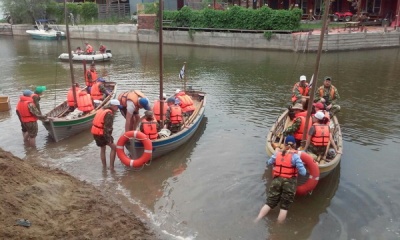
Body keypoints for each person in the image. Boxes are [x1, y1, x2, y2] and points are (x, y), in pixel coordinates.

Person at [254, 135, 306, 224]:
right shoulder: (295, 157)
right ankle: (278, 227)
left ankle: (257, 220)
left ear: (284, 144)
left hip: (277, 181)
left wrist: (276, 154)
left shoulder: (277, 154)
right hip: (289, 183)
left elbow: (269, 162)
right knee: (284, 207)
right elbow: (303, 172)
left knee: (269, 203)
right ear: (294, 145)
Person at [91, 99, 121, 171]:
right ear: (113, 106)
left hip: (95, 132)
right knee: (114, 148)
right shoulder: (109, 114)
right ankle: (111, 168)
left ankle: (104, 167)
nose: (118, 108)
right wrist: (109, 139)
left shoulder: (102, 109)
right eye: (117, 107)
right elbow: (107, 128)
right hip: (102, 133)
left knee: (103, 148)